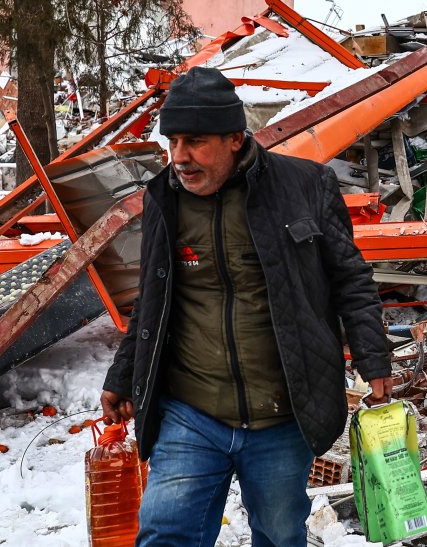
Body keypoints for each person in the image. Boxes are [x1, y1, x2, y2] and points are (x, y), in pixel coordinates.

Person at [99, 67, 392, 547]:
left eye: (194, 142)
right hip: (191, 410)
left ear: (235, 139)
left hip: (283, 411)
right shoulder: (163, 200)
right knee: (163, 532)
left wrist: (373, 356)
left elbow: (350, 278)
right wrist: (122, 374)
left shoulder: (305, 186)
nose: (179, 158)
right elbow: (152, 302)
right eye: (172, 142)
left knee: (278, 536)